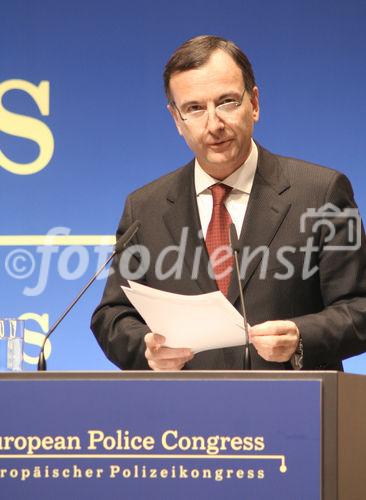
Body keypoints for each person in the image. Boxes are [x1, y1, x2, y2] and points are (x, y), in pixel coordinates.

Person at [91, 35, 366, 371]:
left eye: (227, 102)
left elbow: (359, 308)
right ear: (176, 119)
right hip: (185, 417)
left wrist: (299, 336)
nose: (214, 124)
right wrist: (147, 346)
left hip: (296, 411)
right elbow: (112, 316)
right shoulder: (144, 208)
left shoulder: (320, 192)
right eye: (194, 108)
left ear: (254, 103)